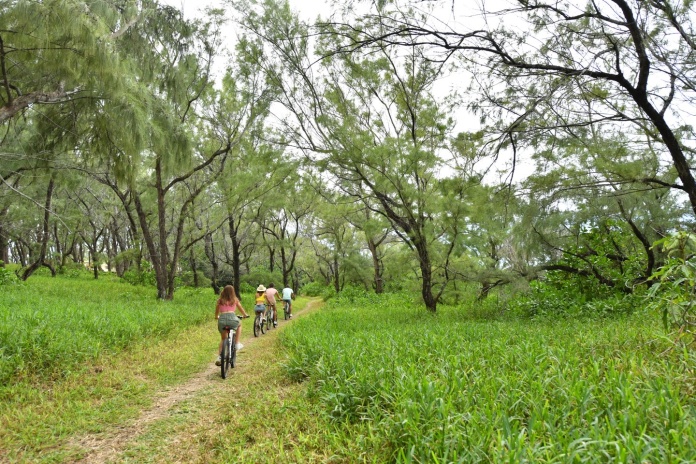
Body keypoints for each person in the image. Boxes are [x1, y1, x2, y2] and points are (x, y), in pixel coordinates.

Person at [215, 285, 249, 366]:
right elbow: (240, 308)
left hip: (222, 319)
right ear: (232, 292)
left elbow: (216, 311)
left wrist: (216, 317)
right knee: (239, 325)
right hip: (232, 318)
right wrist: (245, 315)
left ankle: (219, 357)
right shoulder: (235, 299)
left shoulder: (220, 300)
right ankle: (237, 343)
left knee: (223, 339)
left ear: (224, 291)